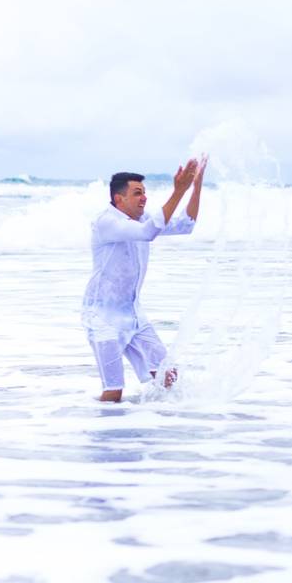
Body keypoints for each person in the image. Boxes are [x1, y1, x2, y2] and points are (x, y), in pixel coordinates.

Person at [82, 155, 208, 402]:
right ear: (120, 199)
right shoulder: (106, 222)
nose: (144, 197)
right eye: (138, 193)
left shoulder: (140, 218)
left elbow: (186, 225)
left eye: (144, 192)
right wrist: (178, 190)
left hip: (134, 316)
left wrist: (196, 184)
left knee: (169, 379)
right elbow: (148, 233)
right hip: (103, 318)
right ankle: (99, 435)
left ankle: (152, 427)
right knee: (114, 392)